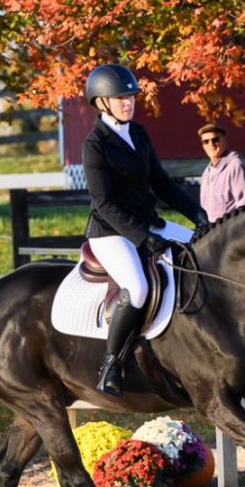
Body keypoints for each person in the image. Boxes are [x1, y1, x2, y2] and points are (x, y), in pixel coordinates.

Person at [81, 64, 208, 396]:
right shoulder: (94, 144)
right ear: (102, 102)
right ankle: (111, 365)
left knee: (203, 248)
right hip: (111, 233)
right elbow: (104, 204)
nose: (129, 102)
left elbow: (161, 183)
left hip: (149, 223)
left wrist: (196, 214)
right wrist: (142, 238)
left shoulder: (138, 133)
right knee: (137, 288)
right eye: (121, 98)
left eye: (131, 97)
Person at [197, 122, 245, 221]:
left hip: (232, 232)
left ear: (224, 140)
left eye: (215, 139)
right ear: (203, 145)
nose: (211, 144)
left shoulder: (236, 166)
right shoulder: (206, 173)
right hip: (212, 232)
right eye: (206, 141)